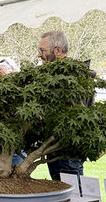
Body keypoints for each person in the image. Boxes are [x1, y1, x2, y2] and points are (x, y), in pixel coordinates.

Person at [37, 30, 86, 181]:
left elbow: (76, 113)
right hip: (55, 147)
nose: (39, 55)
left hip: (66, 149)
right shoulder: (56, 76)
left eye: (42, 51)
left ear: (57, 50)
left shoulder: (70, 78)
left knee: (71, 191)